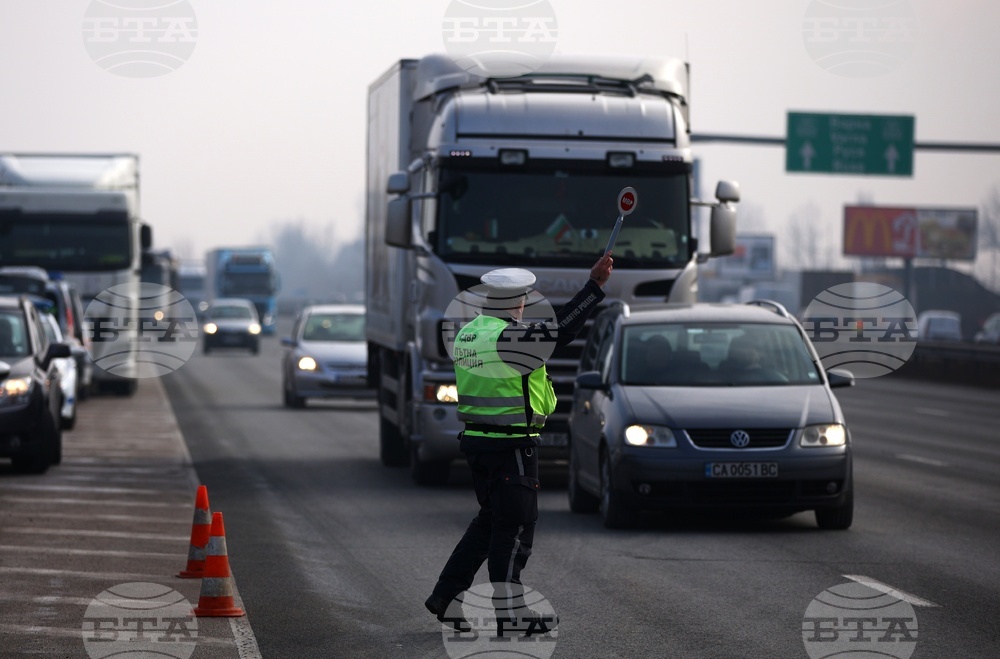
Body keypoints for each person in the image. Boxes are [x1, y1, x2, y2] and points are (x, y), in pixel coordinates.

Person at [425, 253, 614, 636]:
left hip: (478, 441)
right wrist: (594, 287)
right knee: (513, 531)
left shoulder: (469, 332)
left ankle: (445, 597)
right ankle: (510, 617)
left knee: (490, 525)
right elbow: (562, 330)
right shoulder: (512, 337)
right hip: (511, 445)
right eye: (524, 298)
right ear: (516, 301)